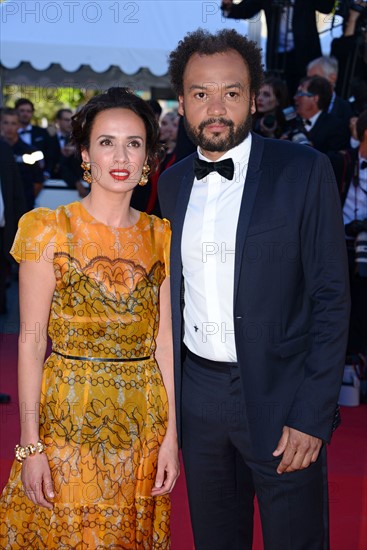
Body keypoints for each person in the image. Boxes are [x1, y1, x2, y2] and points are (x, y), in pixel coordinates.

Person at [158, 28, 350, 550]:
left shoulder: (304, 170)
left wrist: (313, 414)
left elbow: (332, 297)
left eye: (232, 92)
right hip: (197, 396)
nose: (216, 107)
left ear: (255, 97)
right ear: (181, 101)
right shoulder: (171, 183)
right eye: (201, 93)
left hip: (282, 397)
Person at [0, 87, 179, 549]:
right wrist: (30, 445)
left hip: (143, 422)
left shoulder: (162, 237)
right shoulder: (47, 228)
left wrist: (172, 438)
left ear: (148, 158)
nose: (120, 156)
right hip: (67, 418)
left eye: (134, 143)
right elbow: (31, 342)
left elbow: (164, 342)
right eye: (106, 142)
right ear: (84, 152)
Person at [221, 0, 335, 96]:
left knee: (307, 93)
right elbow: (246, 9)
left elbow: (326, 7)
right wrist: (228, 6)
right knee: (279, 95)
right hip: (278, 58)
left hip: (306, 54)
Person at [0, 108, 44, 211]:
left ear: (19, 126)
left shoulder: (31, 151)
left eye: (13, 123)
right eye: (6, 123)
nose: (9, 128)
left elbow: (38, 181)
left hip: (24, 207)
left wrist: (24, 201)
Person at [293, 76, 350, 154]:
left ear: (315, 98)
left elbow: (333, 160)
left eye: (300, 93)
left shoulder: (336, 127)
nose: (295, 97)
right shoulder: (291, 122)